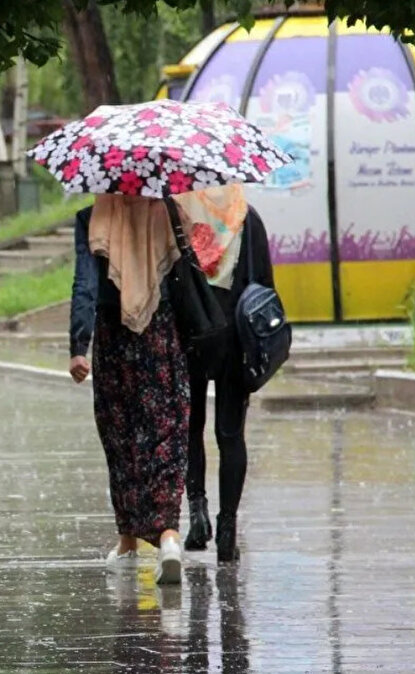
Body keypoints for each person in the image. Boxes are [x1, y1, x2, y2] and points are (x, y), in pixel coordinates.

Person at [68, 194, 190, 585]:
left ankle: (128, 543)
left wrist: (78, 346)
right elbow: (191, 272)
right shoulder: (168, 212)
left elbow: (84, 284)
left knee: (121, 437)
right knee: (166, 432)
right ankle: (169, 536)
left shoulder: (92, 218)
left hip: (113, 337)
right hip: (162, 334)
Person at [178, 185, 275, 563]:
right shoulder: (248, 219)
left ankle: (198, 516)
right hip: (236, 339)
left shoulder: (181, 218)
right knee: (230, 434)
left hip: (191, 335)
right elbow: (265, 287)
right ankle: (228, 529)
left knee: (190, 428)